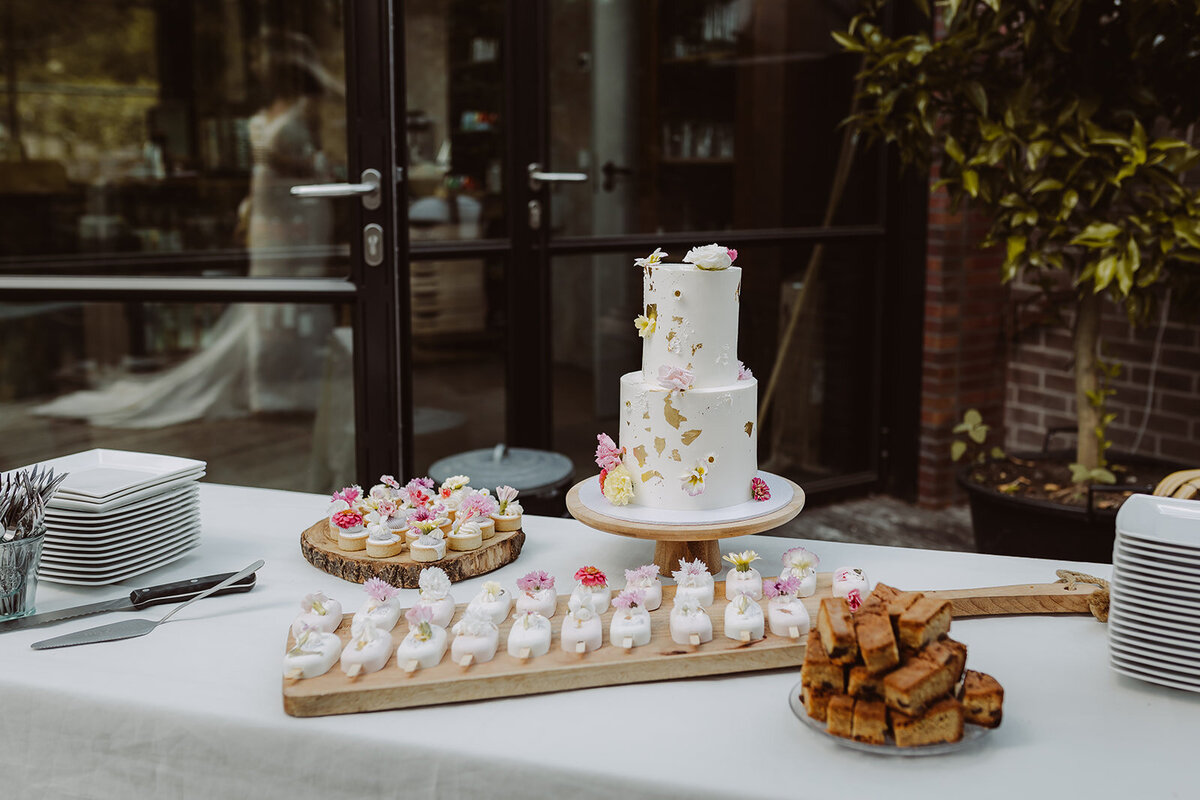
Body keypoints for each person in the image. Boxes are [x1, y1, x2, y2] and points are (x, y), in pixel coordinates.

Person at [36, 31, 343, 428]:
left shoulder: (307, 107)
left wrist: (285, 161)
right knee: (265, 296)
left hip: (299, 216)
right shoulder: (269, 108)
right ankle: (264, 385)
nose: (254, 67)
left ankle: (289, 387)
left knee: (293, 299)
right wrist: (247, 211)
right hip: (266, 214)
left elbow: (324, 163)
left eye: (261, 60)